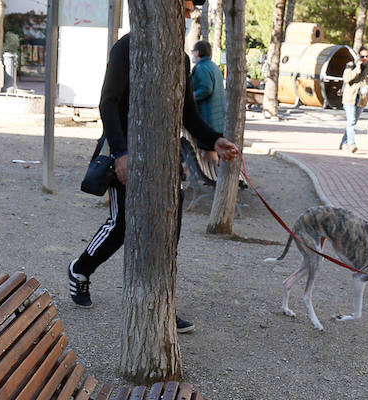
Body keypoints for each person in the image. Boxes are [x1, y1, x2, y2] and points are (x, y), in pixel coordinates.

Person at [66, 1, 240, 333]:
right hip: (126, 152)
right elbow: (108, 102)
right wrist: (120, 152)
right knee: (122, 225)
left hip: (165, 157)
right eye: (185, 8)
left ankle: (161, 306)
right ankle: (80, 268)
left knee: (168, 231)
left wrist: (214, 140)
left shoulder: (182, 58)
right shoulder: (127, 47)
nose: (187, 16)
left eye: (190, 11)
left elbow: (188, 115)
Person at [189, 40, 225, 172]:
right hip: (216, 117)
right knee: (209, 152)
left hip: (208, 117)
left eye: (193, 51)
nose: (192, 54)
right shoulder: (213, 66)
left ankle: (213, 179)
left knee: (209, 152)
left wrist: (191, 97)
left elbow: (206, 89)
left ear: (197, 52)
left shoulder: (201, 68)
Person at [339, 48, 368, 154]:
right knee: (351, 121)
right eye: (362, 56)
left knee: (352, 122)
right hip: (350, 98)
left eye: (367, 56)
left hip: (361, 99)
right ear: (358, 56)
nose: (365, 59)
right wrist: (357, 69)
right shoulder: (350, 65)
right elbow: (346, 78)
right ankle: (352, 144)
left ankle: (344, 142)